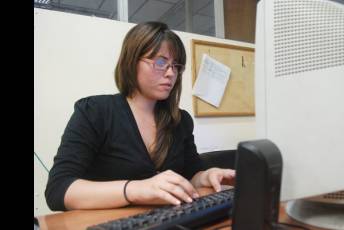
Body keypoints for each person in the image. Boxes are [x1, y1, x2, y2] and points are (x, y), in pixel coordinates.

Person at [45, 21, 235, 211]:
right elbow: (58, 190)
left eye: (176, 66)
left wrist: (206, 176)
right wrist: (136, 189)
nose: (171, 73)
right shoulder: (94, 112)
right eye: (160, 62)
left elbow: (191, 174)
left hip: (165, 221)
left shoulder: (180, 120)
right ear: (131, 62)